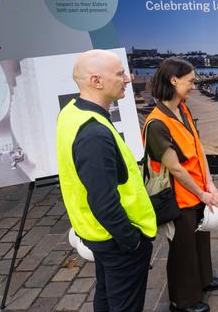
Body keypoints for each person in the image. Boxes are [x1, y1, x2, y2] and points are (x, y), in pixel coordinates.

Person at [56, 50, 157, 312]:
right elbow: (103, 200)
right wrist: (132, 241)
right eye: (120, 73)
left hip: (95, 231)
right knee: (125, 304)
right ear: (96, 81)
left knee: (107, 295)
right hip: (116, 240)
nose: (128, 78)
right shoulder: (94, 134)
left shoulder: (71, 113)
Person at [144, 57, 218, 312]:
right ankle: (183, 301)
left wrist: (209, 185)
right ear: (173, 80)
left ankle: (203, 279)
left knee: (199, 238)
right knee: (182, 250)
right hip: (179, 197)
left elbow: (197, 148)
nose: (194, 85)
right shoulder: (157, 124)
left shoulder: (183, 107)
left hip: (196, 192)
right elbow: (176, 169)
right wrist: (203, 193)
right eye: (191, 81)